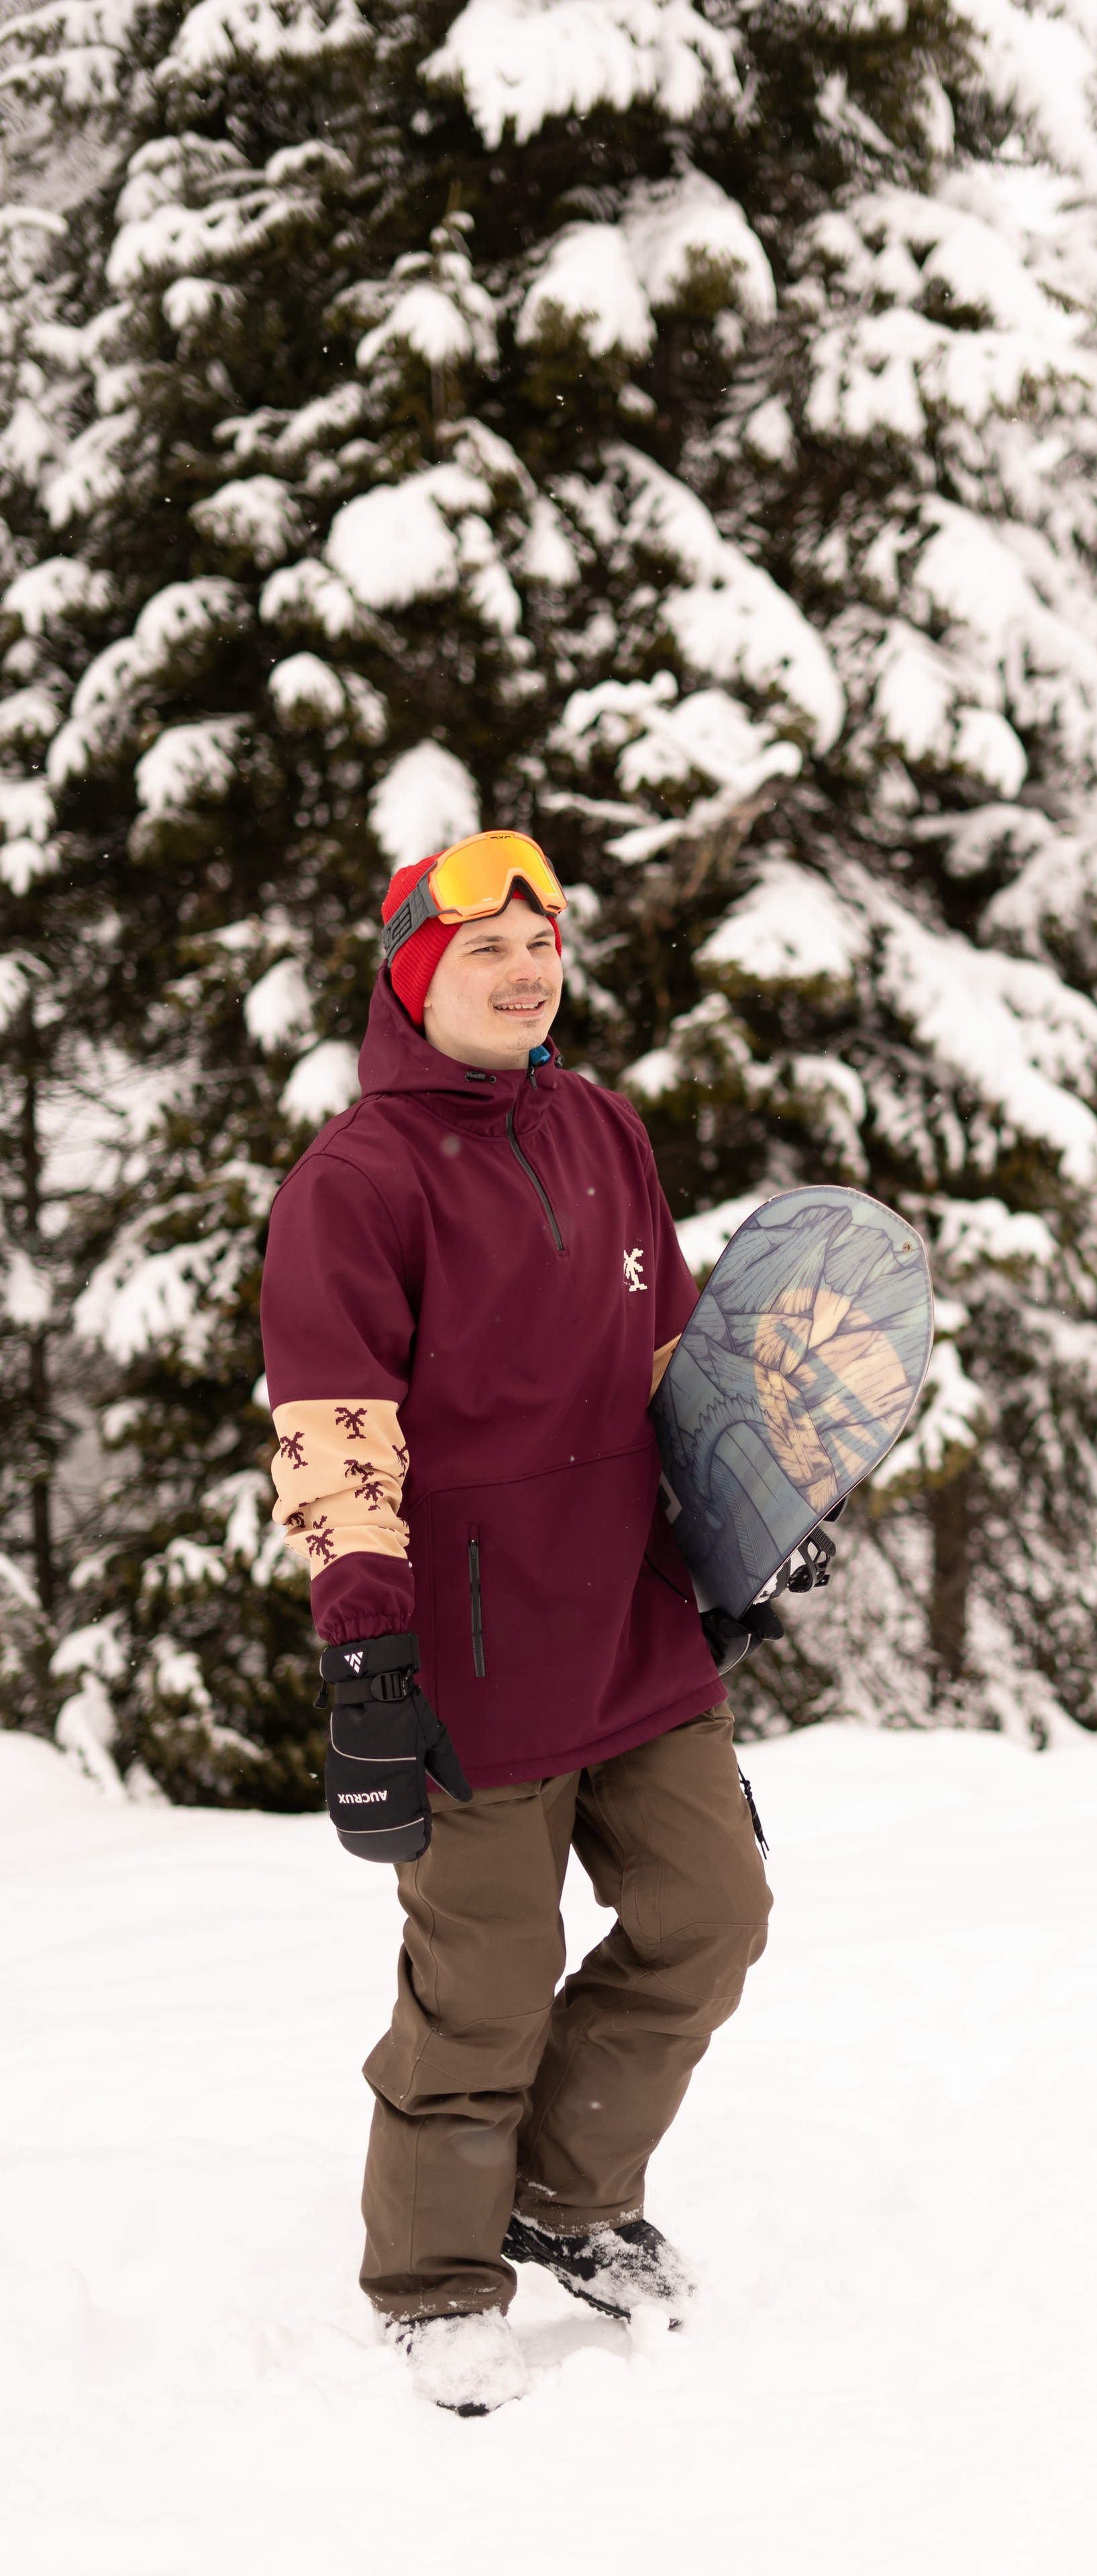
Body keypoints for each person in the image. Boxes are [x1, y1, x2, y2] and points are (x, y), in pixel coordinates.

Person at [260, 830, 772, 2417]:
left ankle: (566, 2192)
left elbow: (666, 1354)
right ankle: (431, 2281)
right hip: (466, 1651)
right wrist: (367, 1653)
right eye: (486, 947)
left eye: (542, 942)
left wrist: (740, 1523)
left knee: (711, 1913)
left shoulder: (604, 1129)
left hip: (630, 1613)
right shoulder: (357, 1182)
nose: (524, 969)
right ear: (417, 977)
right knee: (481, 1982)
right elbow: (336, 1425)